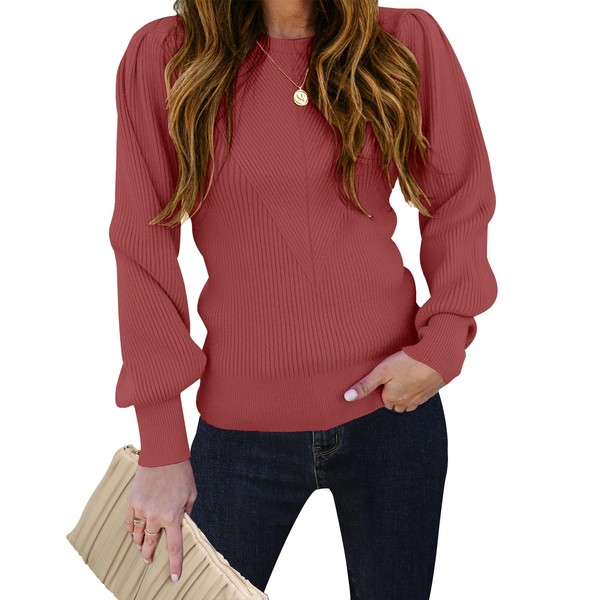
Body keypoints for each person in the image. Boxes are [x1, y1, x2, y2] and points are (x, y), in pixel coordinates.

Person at [109, 0, 497, 597]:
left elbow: (461, 195)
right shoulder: (167, 58)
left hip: (394, 415)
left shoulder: (402, 41)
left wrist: (444, 343)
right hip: (239, 430)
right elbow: (143, 248)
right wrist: (161, 444)